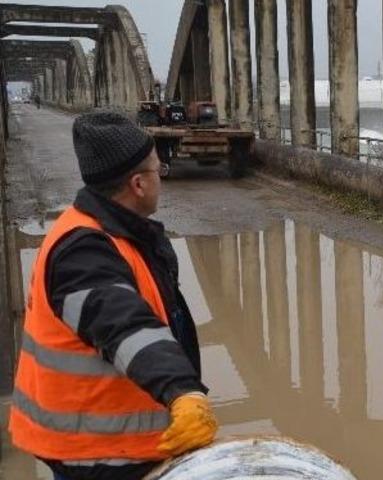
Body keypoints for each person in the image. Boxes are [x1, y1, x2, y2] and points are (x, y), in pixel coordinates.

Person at [8, 111, 218, 480]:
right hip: (97, 456)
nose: (161, 179)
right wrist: (182, 390)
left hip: (116, 443)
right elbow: (124, 325)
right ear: (138, 184)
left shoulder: (116, 232)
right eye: (159, 170)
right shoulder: (83, 251)